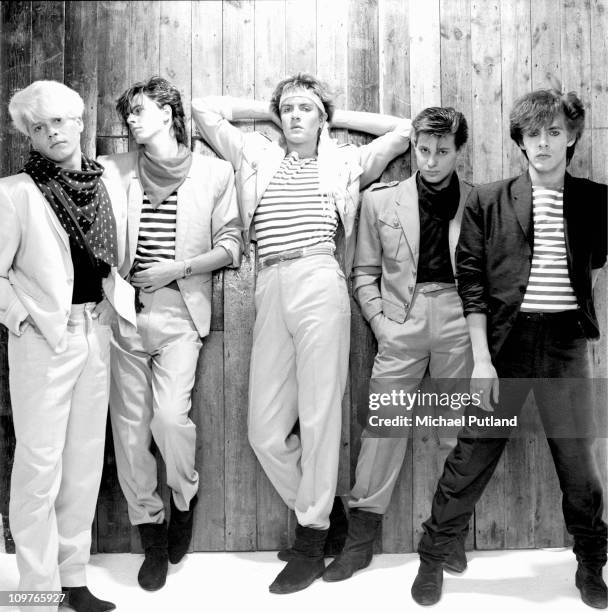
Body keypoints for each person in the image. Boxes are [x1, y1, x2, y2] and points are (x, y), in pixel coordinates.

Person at [192, 73, 411, 594]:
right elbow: (203, 108)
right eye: (286, 109)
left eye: (304, 109)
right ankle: (324, 513)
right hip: (269, 281)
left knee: (318, 414)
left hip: (319, 276)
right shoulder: (257, 155)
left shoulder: (342, 162)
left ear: (320, 119)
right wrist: (266, 110)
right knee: (264, 431)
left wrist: (333, 114)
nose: (293, 116)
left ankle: (311, 538)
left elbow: (403, 129)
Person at [411, 88, 607, 609]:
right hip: (504, 345)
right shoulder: (488, 199)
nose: (543, 143)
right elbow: (470, 280)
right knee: (473, 453)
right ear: (520, 141)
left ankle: (591, 565)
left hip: (565, 343)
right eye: (533, 133)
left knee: (579, 462)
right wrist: (481, 360)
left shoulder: (595, 200)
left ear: (570, 138)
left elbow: (595, 262)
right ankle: (433, 556)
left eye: (554, 132)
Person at [99, 77, 241, 592]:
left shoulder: (215, 172)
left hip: (181, 313)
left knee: (168, 420)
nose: (131, 120)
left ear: (168, 111)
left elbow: (231, 244)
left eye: (139, 110)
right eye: (128, 113)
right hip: (123, 314)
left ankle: (184, 497)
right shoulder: (114, 169)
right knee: (130, 434)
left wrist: (175, 269)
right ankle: (150, 533)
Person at [323, 107, 474, 582]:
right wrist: (381, 323)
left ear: (458, 151)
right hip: (399, 322)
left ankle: (448, 539)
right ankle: (360, 542)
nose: (431, 161)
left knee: (457, 432)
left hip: (459, 320)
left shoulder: (480, 202)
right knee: (384, 429)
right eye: (423, 150)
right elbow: (362, 272)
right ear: (413, 147)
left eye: (442, 152)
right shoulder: (380, 201)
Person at [0, 80, 134, 612]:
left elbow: (116, 258)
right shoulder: (14, 192)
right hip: (43, 338)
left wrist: (110, 297)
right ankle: (37, 590)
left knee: (82, 463)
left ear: (79, 121)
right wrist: (22, 319)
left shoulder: (108, 183)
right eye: (39, 126)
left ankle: (73, 580)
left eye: (59, 120)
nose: (51, 132)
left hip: (96, 331)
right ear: (29, 136)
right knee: (38, 466)